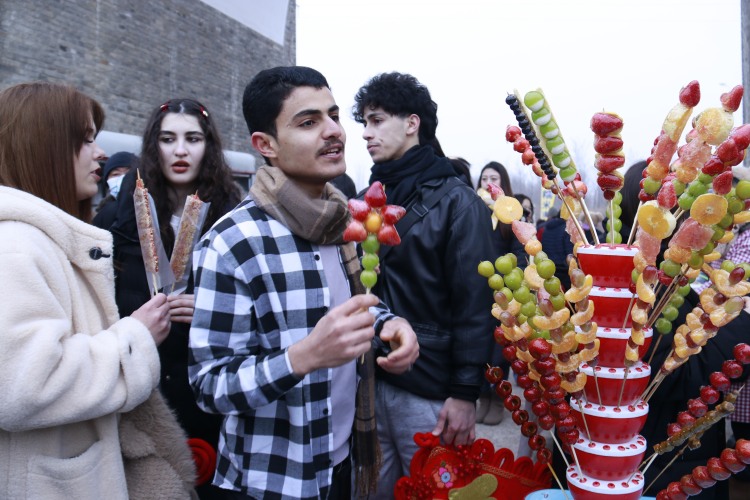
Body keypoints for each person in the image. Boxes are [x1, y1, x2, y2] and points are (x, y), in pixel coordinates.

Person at [188, 66, 419, 499]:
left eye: (333, 115)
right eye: (309, 122)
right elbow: (210, 385)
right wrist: (303, 357)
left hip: (346, 462)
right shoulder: (234, 241)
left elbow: (348, 309)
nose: (334, 131)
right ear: (266, 145)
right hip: (273, 479)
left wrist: (387, 324)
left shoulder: (344, 222)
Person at [0, 82, 195, 499]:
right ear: (45, 147)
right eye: (87, 140)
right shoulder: (14, 246)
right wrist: (136, 336)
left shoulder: (40, 240)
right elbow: (22, 386)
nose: (101, 153)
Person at [352, 71, 496, 497]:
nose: (366, 133)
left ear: (412, 123)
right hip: (369, 380)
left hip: (430, 389)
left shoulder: (457, 202)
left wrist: (465, 393)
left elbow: (475, 305)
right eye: (364, 122)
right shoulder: (371, 196)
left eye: (377, 120)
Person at [98, 98, 242, 500]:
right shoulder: (118, 216)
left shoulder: (235, 216)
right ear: (152, 145)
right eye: (168, 139)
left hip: (208, 390)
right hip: (140, 392)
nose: (180, 150)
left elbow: (260, 305)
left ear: (208, 146)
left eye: (192, 139)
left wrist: (214, 310)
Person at [93, 150, 136, 228]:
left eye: (129, 173)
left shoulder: (154, 211)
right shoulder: (100, 217)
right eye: (116, 174)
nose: (123, 178)